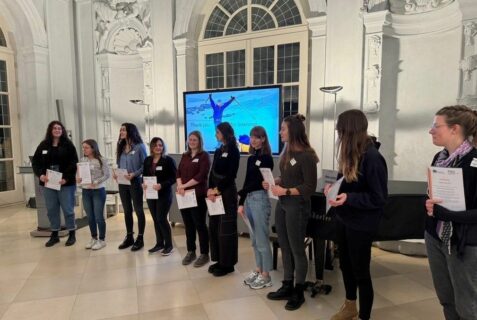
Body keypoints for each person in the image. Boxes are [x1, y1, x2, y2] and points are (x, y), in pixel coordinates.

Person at [326, 109, 388, 320]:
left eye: (340, 130)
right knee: (345, 265)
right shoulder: (350, 153)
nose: (338, 134)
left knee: (361, 272)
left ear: (350, 130)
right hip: (344, 220)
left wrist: (349, 199)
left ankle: (364, 315)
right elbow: (343, 183)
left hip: (362, 224)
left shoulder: (373, 158)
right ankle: (350, 305)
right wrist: (332, 189)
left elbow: (378, 198)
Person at [425, 105, 477, 320]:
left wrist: (445, 213)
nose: (431, 130)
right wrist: (428, 205)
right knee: (446, 298)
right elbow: (431, 192)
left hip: (463, 243)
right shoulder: (440, 157)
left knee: (467, 304)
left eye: (436, 126)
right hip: (436, 237)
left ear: (454, 129)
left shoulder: (473, 163)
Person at [264, 114, 318, 311]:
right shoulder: (287, 153)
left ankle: (298, 290)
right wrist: (276, 181)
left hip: (298, 206)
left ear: (293, 131)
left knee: (296, 249)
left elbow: (309, 187)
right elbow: (288, 176)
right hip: (284, 204)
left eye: (283, 129)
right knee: (284, 246)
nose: (280, 132)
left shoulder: (307, 156)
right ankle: (287, 284)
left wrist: (285, 190)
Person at [238, 126, 274, 289]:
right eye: (252, 137)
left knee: (261, 238)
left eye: (256, 137)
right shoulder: (251, 158)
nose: (253, 140)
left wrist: (241, 192)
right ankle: (259, 269)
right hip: (249, 200)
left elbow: (258, 183)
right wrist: (241, 202)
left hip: (259, 199)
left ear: (263, 139)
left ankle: (266, 275)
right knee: (254, 240)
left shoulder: (267, 158)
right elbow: (248, 181)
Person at [32, 120, 79, 247]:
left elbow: (74, 163)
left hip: (65, 183)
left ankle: (71, 233)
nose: (57, 130)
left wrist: (66, 178)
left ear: (62, 130)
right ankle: (54, 234)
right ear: (50, 131)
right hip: (48, 183)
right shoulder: (43, 145)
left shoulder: (68, 145)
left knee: (68, 209)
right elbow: (35, 162)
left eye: (59, 128)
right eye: (54, 128)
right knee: (52, 209)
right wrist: (40, 175)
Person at [207, 122, 240, 277]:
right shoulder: (219, 150)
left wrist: (217, 190)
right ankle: (219, 260)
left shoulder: (234, 150)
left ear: (225, 133)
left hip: (226, 194)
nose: (216, 135)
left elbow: (231, 175)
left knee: (225, 230)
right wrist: (209, 189)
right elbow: (212, 171)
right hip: (214, 194)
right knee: (214, 227)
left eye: (218, 132)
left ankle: (228, 265)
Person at [176, 131, 211, 267]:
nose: (192, 142)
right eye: (190, 139)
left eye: (194, 140)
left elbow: (201, 175)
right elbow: (178, 172)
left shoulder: (204, 156)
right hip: (184, 196)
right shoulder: (185, 156)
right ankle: (191, 251)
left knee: (200, 225)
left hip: (198, 196)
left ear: (200, 141)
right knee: (188, 225)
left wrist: (184, 185)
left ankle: (204, 254)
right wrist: (180, 186)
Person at [113, 123, 147, 251]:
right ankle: (129, 237)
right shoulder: (120, 147)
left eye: (124, 130)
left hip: (135, 182)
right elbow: (119, 164)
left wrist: (134, 174)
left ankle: (140, 238)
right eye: (120, 129)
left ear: (130, 131)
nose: (121, 132)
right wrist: (116, 174)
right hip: (122, 183)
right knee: (127, 211)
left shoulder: (139, 147)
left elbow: (145, 165)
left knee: (138, 210)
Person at [142, 137, 177, 256]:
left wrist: (161, 185)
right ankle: (159, 243)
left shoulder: (168, 160)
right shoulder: (147, 160)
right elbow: (145, 175)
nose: (158, 147)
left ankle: (169, 245)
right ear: (152, 147)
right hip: (151, 194)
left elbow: (173, 178)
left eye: (160, 145)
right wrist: (144, 184)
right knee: (156, 219)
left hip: (164, 194)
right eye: (156, 145)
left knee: (161, 218)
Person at [77, 139, 110, 250]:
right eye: (83, 147)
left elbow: (106, 175)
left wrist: (96, 182)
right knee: (90, 216)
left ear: (93, 148)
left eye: (86, 147)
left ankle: (102, 239)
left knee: (98, 216)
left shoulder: (101, 160)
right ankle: (94, 238)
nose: (84, 149)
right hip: (86, 191)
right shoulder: (82, 160)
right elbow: (79, 175)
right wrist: (78, 179)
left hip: (98, 191)